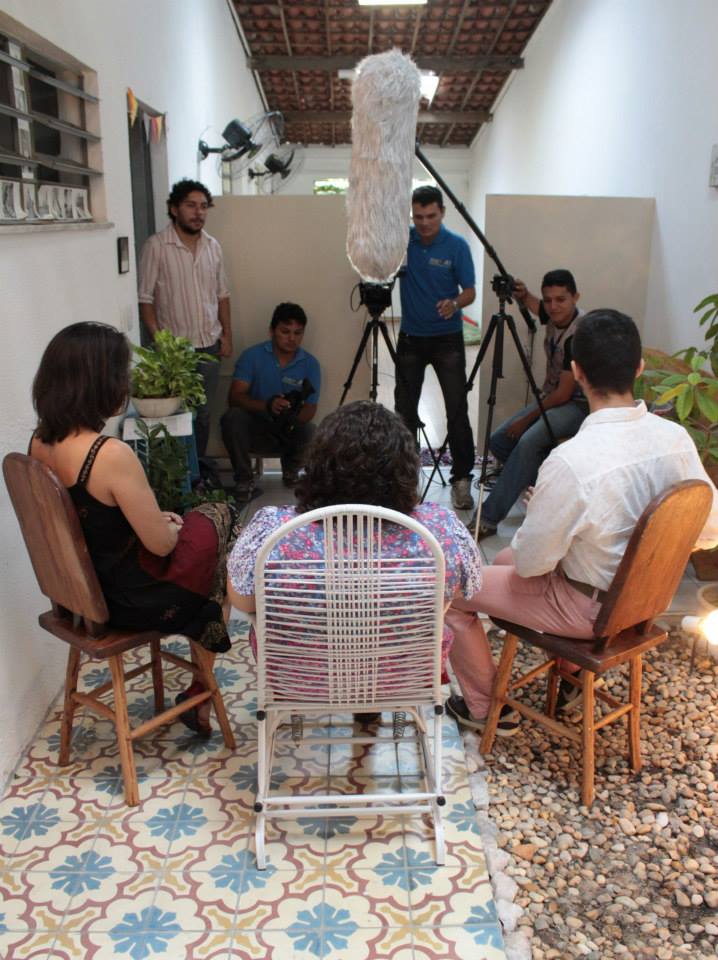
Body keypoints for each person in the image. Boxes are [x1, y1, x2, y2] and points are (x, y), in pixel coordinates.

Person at [446, 309, 718, 733]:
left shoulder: (572, 460)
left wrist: (546, 514)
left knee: (452, 589)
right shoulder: (675, 440)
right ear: (639, 368)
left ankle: (484, 709)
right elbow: (710, 530)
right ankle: (570, 678)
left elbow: (533, 564)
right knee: (502, 562)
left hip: (590, 610)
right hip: (647, 602)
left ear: (576, 372)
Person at [30, 322, 240, 737]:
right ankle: (201, 687)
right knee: (221, 517)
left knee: (203, 535)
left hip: (81, 598)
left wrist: (157, 522)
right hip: (131, 599)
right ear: (98, 382)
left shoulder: (39, 443)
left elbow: (95, 521)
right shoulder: (108, 454)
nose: (125, 383)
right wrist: (169, 526)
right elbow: (160, 547)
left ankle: (201, 683)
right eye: (120, 373)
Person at [226, 401, 482, 686]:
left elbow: (242, 601)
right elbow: (460, 591)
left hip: (300, 681)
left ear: (318, 465)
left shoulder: (273, 530)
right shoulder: (439, 529)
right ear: (406, 468)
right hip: (401, 678)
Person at [470, 268, 588, 538]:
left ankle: (487, 519)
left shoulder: (578, 335)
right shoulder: (554, 314)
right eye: (549, 300)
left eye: (561, 299)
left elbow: (564, 394)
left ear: (576, 298)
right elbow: (538, 307)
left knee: (526, 443)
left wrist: (525, 420)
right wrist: (523, 296)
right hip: (554, 398)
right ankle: (550, 489)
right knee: (499, 441)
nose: (553, 307)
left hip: (578, 404)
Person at [395, 185, 477, 512]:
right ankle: (406, 480)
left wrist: (454, 303)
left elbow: (469, 291)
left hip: (447, 339)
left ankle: (462, 479)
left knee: (456, 409)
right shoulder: (403, 242)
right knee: (404, 411)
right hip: (410, 338)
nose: (425, 223)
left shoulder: (457, 246)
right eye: (419, 217)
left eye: (431, 216)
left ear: (442, 212)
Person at [138, 178, 232, 460]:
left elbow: (222, 295)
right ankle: (180, 475)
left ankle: (199, 471)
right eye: (191, 205)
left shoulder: (213, 247)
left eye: (203, 206)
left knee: (203, 415)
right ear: (174, 208)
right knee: (176, 417)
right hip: (174, 354)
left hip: (209, 346)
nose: (198, 212)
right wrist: (161, 343)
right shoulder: (156, 246)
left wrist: (227, 336)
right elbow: (145, 299)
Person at [221, 302, 320, 502]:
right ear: (271, 331)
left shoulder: (310, 364)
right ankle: (244, 479)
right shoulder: (252, 356)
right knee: (232, 418)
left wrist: (289, 414)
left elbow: (310, 410)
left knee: (310, 430)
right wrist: (267, 405)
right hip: (257, 428)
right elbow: (234, 397)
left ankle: (292, 471)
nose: (292, 338)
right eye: (285, 331)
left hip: (288, 431)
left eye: (298, 333)